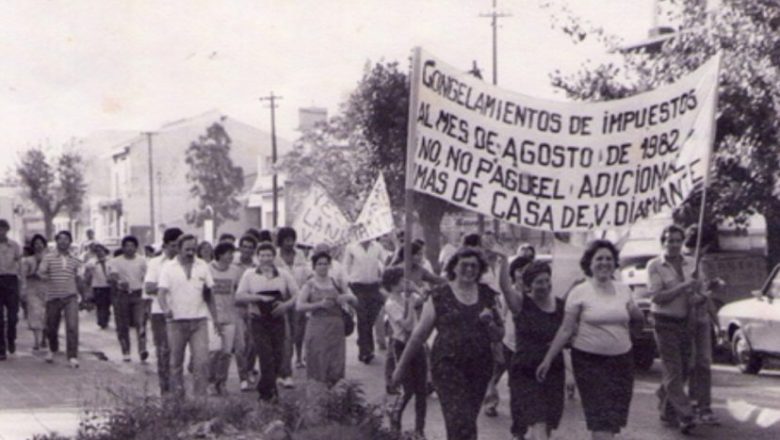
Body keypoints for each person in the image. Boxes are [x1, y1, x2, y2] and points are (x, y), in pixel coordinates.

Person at [392, 247, 504, 440]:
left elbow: (499, 335)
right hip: (447, 366)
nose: (469, 270)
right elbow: (419, 336)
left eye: (474, 266)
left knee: (466, 421)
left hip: (479, 367)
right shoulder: (440, 295)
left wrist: (490, 323)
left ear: (480, 269)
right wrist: (400, 368)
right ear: (454, 267)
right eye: (464, 265)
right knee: (460, 421)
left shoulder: (488, 295)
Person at [537, 240, 642, 440]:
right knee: (600, 419)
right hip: (590, 363)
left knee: (613, 420)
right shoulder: (579, 292)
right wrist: (548, 359)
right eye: (599, 259)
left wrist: (634, 327)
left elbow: (637, 319)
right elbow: (566, 329)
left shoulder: (624, 290)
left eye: (609, 259)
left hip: (622, 362)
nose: (604, 263)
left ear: (615, 263)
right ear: (589, 263)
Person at [643, 225, 701, 433]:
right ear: (663, 242)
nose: (675, 244)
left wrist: (701, 293)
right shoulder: (655, 265)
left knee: (685, 367)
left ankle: (665, 399)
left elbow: (696, 293)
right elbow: (657, 297)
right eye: (670, 240)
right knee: (674, 368)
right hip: (664, 321)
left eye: (678, 240)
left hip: (686, 320)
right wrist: (684, 286)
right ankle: (685, 416)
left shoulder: (691, 263)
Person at [499, 257, 563, 440]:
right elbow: (505, 287)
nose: (544, 285)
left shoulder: (560, 306)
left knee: (547, 424)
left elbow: (568, 333)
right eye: (538, 282)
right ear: (528, 286)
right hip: (527, 370)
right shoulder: (521, 304)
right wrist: (504, 260)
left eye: (546, 280)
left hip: (553, 370)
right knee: (538, 420)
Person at [235, 242, 298, 401]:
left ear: (274, 256)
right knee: (265, 356)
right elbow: (239, 296)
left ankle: (264, 386)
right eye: (262, 255)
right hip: (258, 320)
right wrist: (258, 298)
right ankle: (269, 395)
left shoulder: (283, 273)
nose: (265, 259)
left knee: (278, 356)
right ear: (258, 257)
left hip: (278, 319)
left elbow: (297, 294)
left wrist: (285, 305)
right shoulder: (250, 274)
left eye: (269, 255)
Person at [158, 234, 215, 398]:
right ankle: (178, 400)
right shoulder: (169, 267)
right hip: (176, 322)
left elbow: (210, 294)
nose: (190, 253)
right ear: (179, 249)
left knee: (202, 362)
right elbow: (161, 294)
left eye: (193, 249)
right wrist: (165, 309)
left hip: (199, 321)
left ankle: (200, 401)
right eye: (187, 249)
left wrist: (216, 319)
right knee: (176, 363)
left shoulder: (202, 265)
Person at [483, 255, 532, 438]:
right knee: (497, 373)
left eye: (527, 269)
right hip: (509, 342)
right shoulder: (509, 293)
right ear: (514, 273)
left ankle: (522, 428)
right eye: (520, 270)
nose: (523, 273)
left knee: (519, 386)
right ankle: (490, 401)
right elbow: (502, 314)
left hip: (528, 347)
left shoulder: (537, 291)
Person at [296, 250, 357, 386]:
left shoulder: (336, 282)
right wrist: (319, 305)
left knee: (336, 362)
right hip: (317, 327)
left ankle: (335, 398)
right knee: (318, 360)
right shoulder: (309, 285)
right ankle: (317, 397)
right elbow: (299, 306)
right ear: (314, 266)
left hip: (336, 328)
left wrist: (346, 298)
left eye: (325, 263)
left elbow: (355, 300)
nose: (323, 266)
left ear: (330, 266)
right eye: (319, 264)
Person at [383, 266, 428, 437]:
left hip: (417, 344)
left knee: (422, 390)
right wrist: (410, 304)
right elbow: (407, 324)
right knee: (408, 388)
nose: (405, 283)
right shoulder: (391, 303)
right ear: (394, 284)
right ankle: (395, 416)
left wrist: (415, 288)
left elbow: (425, 298)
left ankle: (420, 429)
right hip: (401, 345)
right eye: (402, 280)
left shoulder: (407, 296)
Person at [684, 225, 720, 425]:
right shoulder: (682, 261)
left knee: (704, 363)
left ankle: (704, 406)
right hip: (683, 319)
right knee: (687, 363)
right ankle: (682, 402)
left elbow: (707, 296)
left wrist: (716, 322)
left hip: (702, 320)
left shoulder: (706, 263)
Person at [38, 230, 89, 368]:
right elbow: (41, 272)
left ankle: (72, 356)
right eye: (60, 239)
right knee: (52, 327)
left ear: (70, 242)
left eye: (66, 239)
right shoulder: (48, 258)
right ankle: (52, 348)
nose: (63, 241)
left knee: (72, 326)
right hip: (53, 297)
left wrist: (84, 297)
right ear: (56, 241)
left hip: (70, 297)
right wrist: (46, 277)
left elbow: (79, 278)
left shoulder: (75, 259)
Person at [144, 227, 183, 395]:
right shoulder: (155, 263)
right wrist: (169, 287)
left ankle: (178, 388)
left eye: (179, 245)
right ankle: (166, 390)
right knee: (163, 351)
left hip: (184, 311)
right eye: (174, 245)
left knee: (179, 352)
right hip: (160, 312)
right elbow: (149, 287)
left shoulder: (189, 262)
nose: (177, 249)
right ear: (166, 245)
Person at [275, 226, 310, 384]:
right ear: (281, 241)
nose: (289, 243)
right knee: (284, 336)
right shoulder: (275, 256)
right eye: (286, 240)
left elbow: (307, 273)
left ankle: (294, 359)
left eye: (292, 240)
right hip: (281, 299)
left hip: (298, 297)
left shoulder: (300, 254)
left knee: (297, 332)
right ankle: (284, 370)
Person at [207, 242, 243, 395]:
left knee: (227, 352)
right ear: (220, 254)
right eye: (228, 253)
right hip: (211, 316)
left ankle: (221, 382)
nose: (231, 256)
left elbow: (239, 291)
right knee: (214, 351)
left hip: (230, 316)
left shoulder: (235, 271)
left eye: (232, 253)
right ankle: (210, 382)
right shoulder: (208, 269)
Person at [344, 237, 386, 364]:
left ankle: (363, 341)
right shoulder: (351, 247)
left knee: (371, 317)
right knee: (362, 317)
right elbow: (345, 267)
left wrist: (382, 277)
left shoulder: (377, 247)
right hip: (357, 286)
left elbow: (385, 263)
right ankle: (365, 352)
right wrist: (347, 286)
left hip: (373, 286)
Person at [109, 235, 149, 363]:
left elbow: (147, 277)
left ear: (136, 248)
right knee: (122, 324)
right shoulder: (115, 261)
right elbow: (112, 276)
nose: (129, 249)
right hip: (122, 295)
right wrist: (119, 281)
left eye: (132, 246)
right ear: (123, 247)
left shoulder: (142, 261)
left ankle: (142, 349)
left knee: (140, 322)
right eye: (127, 246)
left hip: (138, 294)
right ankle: (125, 351)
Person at [235, 234, 259, 392]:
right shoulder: (233, 265)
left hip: (253, 306)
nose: (247, 250)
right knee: (240, 344)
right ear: (240, 248)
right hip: (237, 307)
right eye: (245, 247)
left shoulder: (257, 267)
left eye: (250, 247)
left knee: (253, 342)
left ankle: (250, 369)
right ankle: (242, 376)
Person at [0, 219, 22, 360]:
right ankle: (1, 349)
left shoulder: (14, 246)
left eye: (2, 229)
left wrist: (22, 284)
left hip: (11, 281)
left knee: (13, 316)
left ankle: (11, 337)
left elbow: (20, 265)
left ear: (7, 230)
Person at [22, 234, 48, 351]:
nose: (38, 245)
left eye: (40, 243)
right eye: (36, 243)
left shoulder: (49, 259)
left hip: (47, 289)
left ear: (44, 245)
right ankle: (37, 340)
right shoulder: (27, 260)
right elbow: (23, 275)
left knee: (46, 314)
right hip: (32, 289)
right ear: (32, 246)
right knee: (35, 313)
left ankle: (44, 338)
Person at [84, 244, 113, 329]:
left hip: (109, 286)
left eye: (101, 251)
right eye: (97, 251)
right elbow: (86, 274)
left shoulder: (110, 260)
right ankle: (101, 321)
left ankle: (106, 319)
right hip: (97, 286)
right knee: (100, 304)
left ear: (104, 251)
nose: (99, 253)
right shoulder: (91, 262)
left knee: (107, 304)